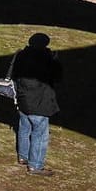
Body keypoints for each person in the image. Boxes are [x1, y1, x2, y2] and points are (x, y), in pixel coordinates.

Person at [10, 33, 63, 175]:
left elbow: (14, 74)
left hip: (23, 98)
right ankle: (35, 165)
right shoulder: (47, 59)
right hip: (40, 102)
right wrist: (56, 61)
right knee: (40, 135)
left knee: (24, 128)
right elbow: (57, 77)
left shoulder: (21, 55)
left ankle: (23, 156)